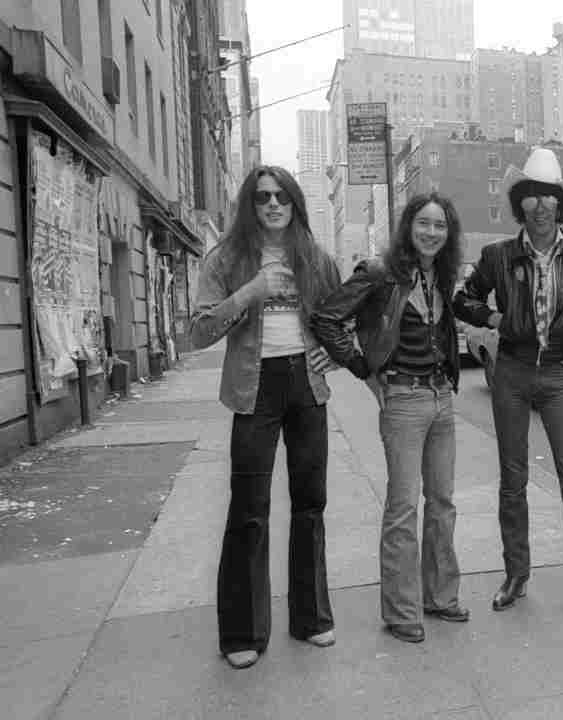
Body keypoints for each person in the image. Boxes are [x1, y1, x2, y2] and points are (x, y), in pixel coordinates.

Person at [453, 147, 563, 640]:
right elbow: (464, 298)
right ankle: (516, 575)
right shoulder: (497, 256)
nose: (542, 206)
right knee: (512, 481)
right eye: (532, 198)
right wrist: (495, 317)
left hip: (559, 375)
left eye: (549, 197)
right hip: (512, 372)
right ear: (521, 203)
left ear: (559, 204)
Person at [190, 166, 342, 669]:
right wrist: (251, 290)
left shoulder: (316, 259)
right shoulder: (228, 258)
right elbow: (199, 331)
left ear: (295, 203)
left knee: (310, 503)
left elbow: (342, 318)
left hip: (306, 385)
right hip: (253, 388)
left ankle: (312, 618)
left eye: (282, 197)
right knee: (249, 508)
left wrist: (334, 355)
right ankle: (242, 632)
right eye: (262, 198)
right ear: (249, 206)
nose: (273, 204)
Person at [310, 192, 467, 645]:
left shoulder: (442, 274)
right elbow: (327, 318)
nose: (432, 232)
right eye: (424, 223)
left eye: (440, 225)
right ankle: (401, 612)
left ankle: (439, 596)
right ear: (408, 227)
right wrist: (363, 370)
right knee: (403, 508)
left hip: (442, 400)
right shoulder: (380, 274)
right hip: (402, 400)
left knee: (443, 503)